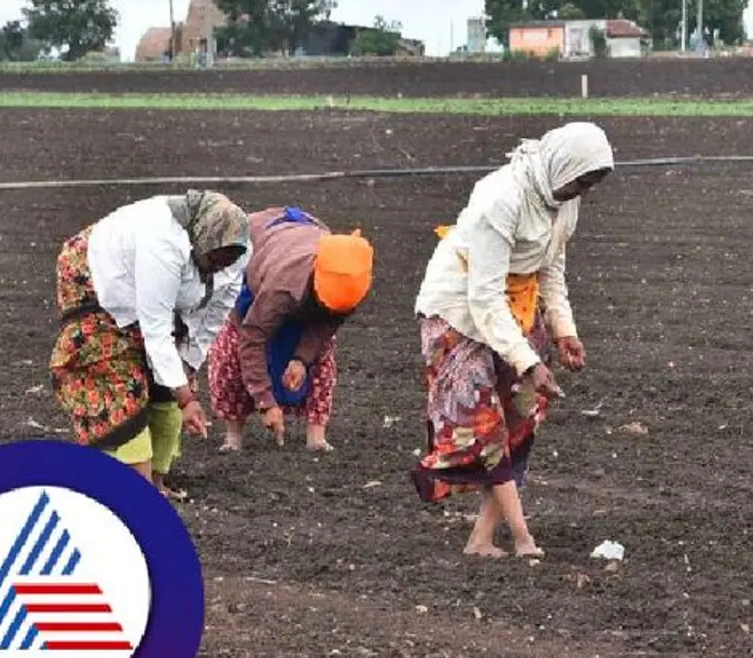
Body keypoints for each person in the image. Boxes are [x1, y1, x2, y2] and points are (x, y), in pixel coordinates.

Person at [411, 121, 614, 559]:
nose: (586, 191)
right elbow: (482, 295)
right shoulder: (500, 199)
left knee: (521, 417)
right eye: (583, 180)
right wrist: (526, 360)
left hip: (517, 305)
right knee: (482, 424)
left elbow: (551, 267)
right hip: (460, 310)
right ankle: (523, 539)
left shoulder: (564, 201)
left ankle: (481, 538)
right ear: (562, 166)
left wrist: (564, 330)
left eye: (592, 183)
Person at [49, 190, 251, 499]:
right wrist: (186, 398)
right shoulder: (162, 244)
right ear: (200, 239)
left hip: (159, 295)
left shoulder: (236, 249)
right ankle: (138, 492)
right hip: (94, 278)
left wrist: (185, 370)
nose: (218, 268)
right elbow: (156, 330)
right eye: (213, 259)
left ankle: (156, 482)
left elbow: (213, 317)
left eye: (227, 262)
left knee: (164, 389)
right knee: (119, 378)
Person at [208, 206, 373, 451]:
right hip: (258, 257)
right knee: (231, 350)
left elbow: (327, 324)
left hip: (296, 250)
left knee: (322, 357)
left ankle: (317, 437)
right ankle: (233, 435)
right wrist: (265, 402)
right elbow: (252, 338)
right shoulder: (280, 288)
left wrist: (301, 359)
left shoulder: (353, 279)